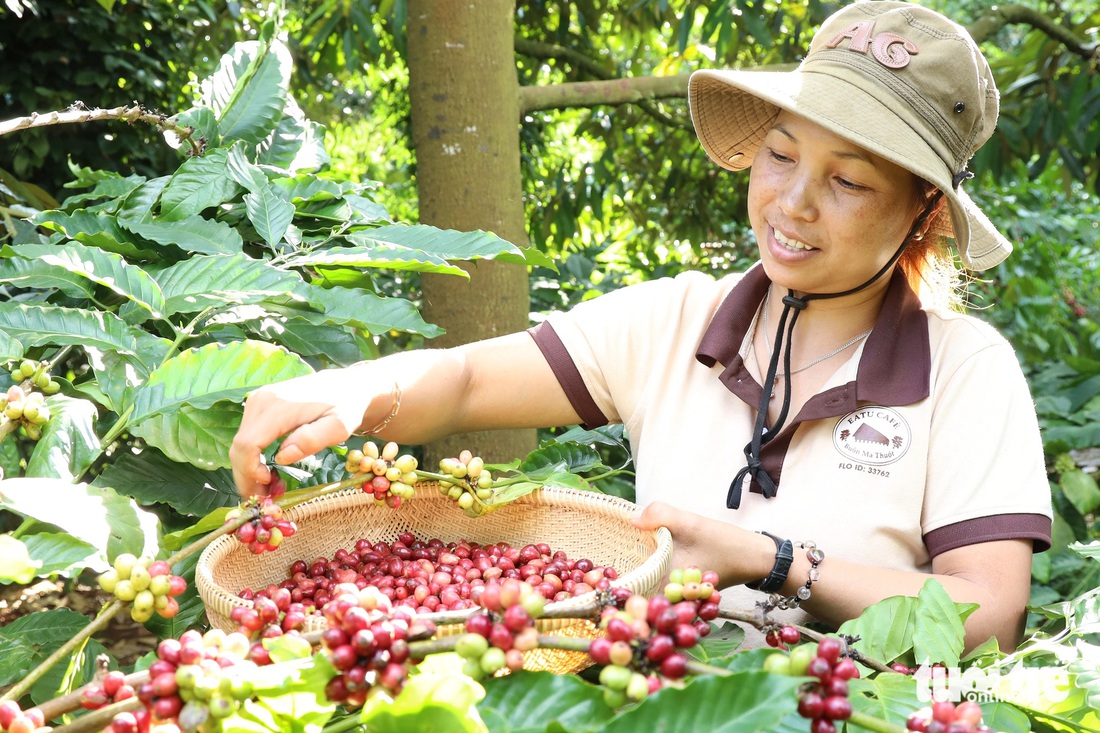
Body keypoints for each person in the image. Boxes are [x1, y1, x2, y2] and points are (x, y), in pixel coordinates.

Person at [230, 0, 1052, 653]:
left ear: (924, 213)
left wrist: (771, 560)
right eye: (780, 154)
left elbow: (989, 612)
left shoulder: (965, 370)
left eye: (849, 181)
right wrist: (359, 385)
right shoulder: (677, 320)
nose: (792, 203)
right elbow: (471, 380)